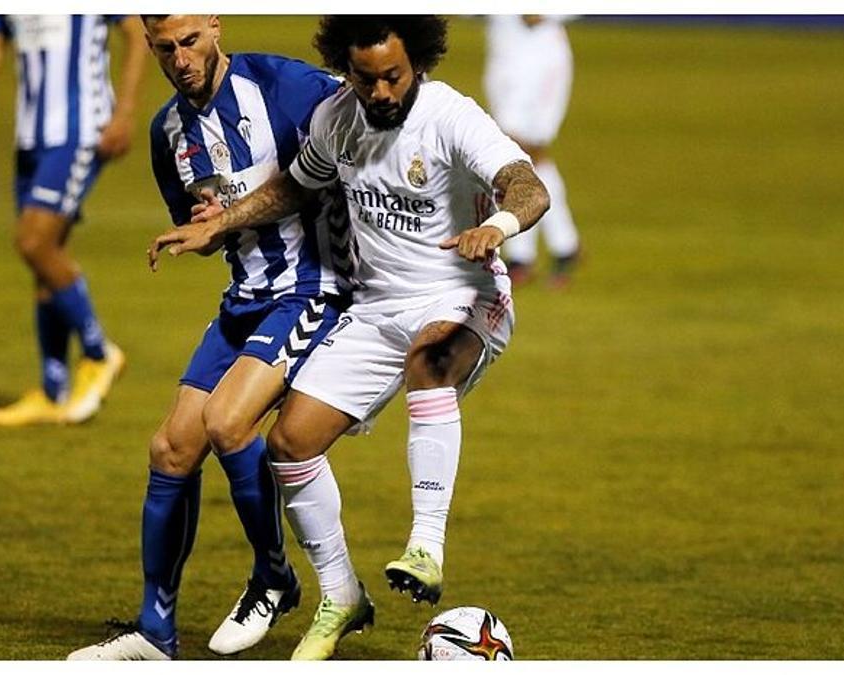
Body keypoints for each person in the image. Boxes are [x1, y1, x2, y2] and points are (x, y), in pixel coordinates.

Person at [149, 15, 550, 660]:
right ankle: (340, 595)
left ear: (417, 62)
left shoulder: (452, 117)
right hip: (375, 308)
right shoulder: (338, 119)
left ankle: (426, 545)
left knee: (430, 361)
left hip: (465, 297)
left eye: (393, 76)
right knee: (288, 441)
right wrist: (219, 224)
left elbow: (528, 186)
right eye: (367, 80)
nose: (382, 92)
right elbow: (291, 188)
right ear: (349, 72)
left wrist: (498, 225)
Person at [67, 15, 354, 661]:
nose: (181, 58)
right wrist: (207, 229)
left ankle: (274, 575)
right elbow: (204, 231)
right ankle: (155, 631)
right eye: (165, 48)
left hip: (313, 287)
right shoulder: (166, 130)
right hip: (244, 298)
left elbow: (367, 127)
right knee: (170, 448)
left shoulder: (288, 86)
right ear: (148, 45)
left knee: (228, 422)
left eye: (191, 41)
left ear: (215, 25)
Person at [0, 15, 145, 426]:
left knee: (34, 242)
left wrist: (126, 111)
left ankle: (100, 353)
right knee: (44, 262)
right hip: (30, 138)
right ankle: (53, 392)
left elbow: (136, 32)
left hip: (81, 129)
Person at [484, 15, 581, 288]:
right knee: (518, 154)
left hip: (541, 57)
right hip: (504, 53)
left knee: (524, 149)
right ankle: (562, 246)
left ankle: (524, 254)